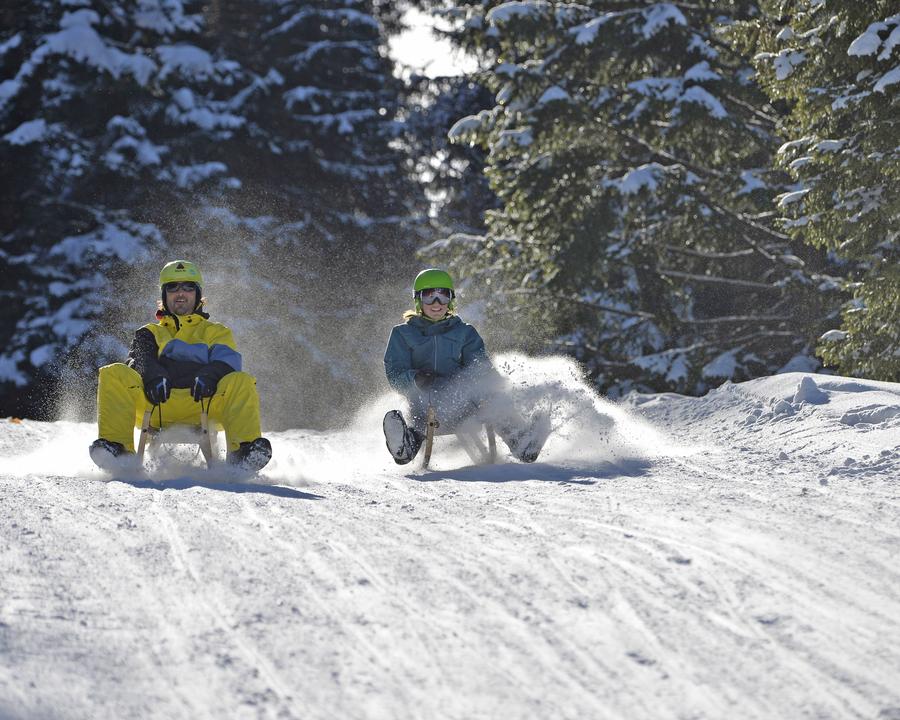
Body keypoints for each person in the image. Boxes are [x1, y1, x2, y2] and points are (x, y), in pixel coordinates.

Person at [89, 260, 272, 472]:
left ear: (198, 294)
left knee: (240, 380)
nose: (181, 293)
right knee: (115, 372)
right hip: (156, 404)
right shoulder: (149, 332)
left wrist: (209, 375)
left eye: (188, 287)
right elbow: (138, 360)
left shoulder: (216, 332)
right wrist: (154, 375)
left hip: (204, 404)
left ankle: (243, 453)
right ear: (164, 296)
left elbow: (229, 362)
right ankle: (117, 449)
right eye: (173, 287)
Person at [382, 268, 549, 465]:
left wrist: (491, 384)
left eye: (442, 296)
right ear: (418, 300)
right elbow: (395, 372)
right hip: (425, 402)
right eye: (429, 296)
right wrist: (415, 378)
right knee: (419, 408)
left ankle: (522, 442)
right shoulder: (402, 334)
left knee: (489, 395)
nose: (436, 303)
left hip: (463, 403)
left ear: (450, 299)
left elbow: (480, 366)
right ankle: (405, 446)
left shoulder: (464, 332)